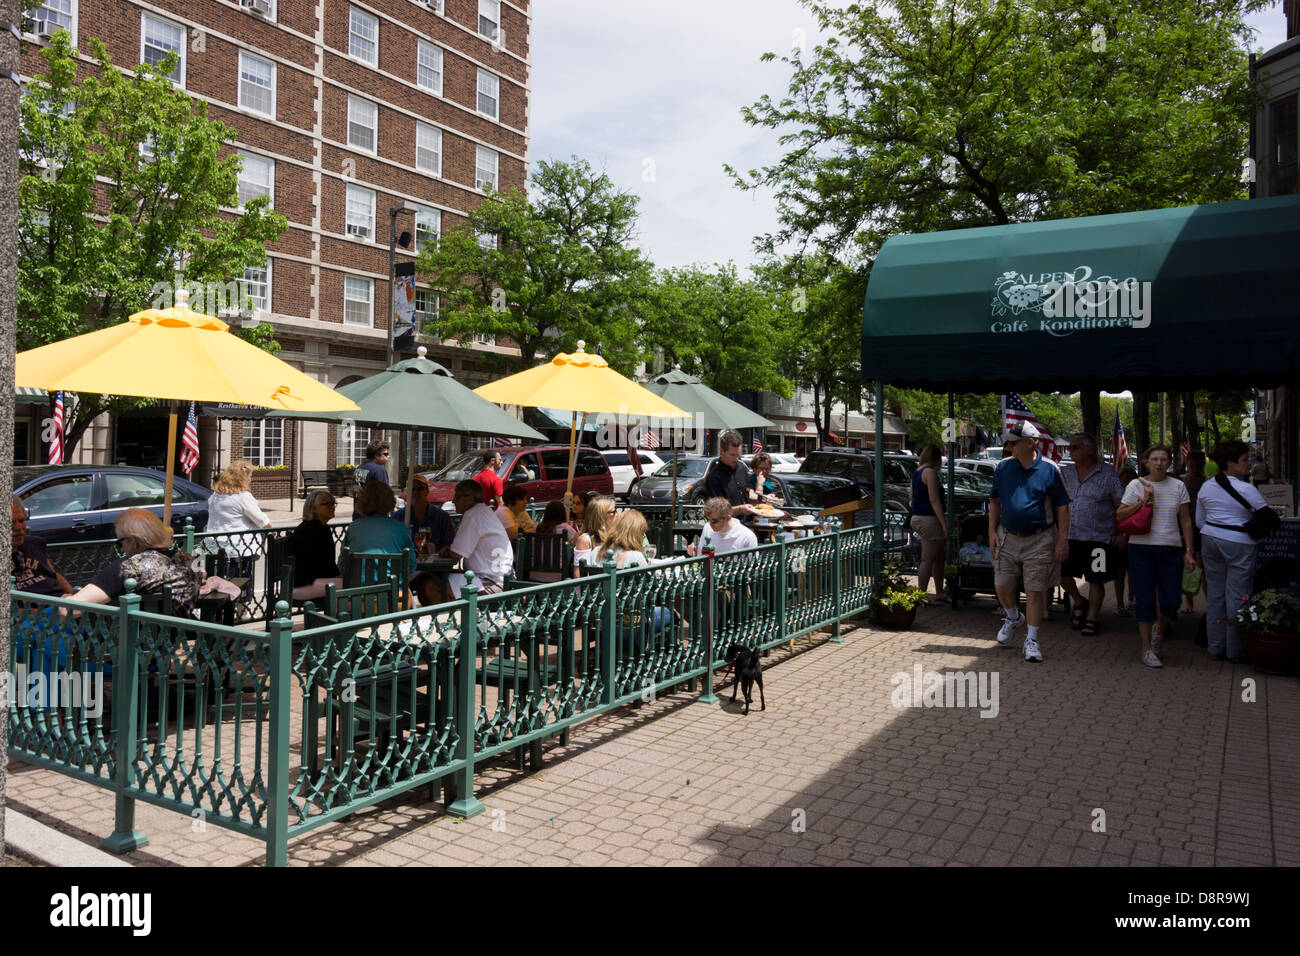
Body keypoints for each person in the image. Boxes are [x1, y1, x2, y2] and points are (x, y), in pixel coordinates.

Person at [987, 420, 1071, 664]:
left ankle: (1032, 640)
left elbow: (1062, 506)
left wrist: (1062, 540)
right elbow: (994, 501)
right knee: (1002, 584)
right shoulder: (1003, 468)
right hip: (1008, 536)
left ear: (1030, 442)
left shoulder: (1050, 468)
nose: (1009, 446)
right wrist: (992, 532)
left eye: (1013, 442)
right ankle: (1013, 616)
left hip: (1041, 538)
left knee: (1035, 590)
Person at [1116, 444, 1195, 669]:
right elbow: (1120, 514)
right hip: (1141, 548)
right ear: (1146, 462)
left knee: (1170, 600)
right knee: (1145, 598)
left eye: (1163, 459)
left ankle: (1158, 633)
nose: (1159, 463)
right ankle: (1146, 648)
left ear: (1169, 462)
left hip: (1171, 548)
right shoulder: (1136, 485)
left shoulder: (1178, 485)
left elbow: (1186, 521)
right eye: (1155, 459)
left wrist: (1189, 551)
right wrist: (1144, 500)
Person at [1197, 441, 1268, 663]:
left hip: (1210, 539)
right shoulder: (1247, 489)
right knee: (1238, 595)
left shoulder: (1207, 486)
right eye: (1245, 460)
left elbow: (1200, 520)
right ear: (1230, 463)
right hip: (1240, 542)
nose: (1250, 464)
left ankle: (1215, 647)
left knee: (1215, 594)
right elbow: (1265, 516)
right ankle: (1235, 650)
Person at [69, 509, 204, 617]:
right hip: (172, 641)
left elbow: (71, 610)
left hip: (128, 644)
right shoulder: (189, 561)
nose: (121, 549)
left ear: (132, 541)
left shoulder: (130, 566)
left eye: (120, 543)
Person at [1059, 434, 1125, 635]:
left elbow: (1121, 506)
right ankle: (1079, 601)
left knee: (1096, 579)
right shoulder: (1065, 473)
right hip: (1070, 536)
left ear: (1089, 450)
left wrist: (1123, 533)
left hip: (1099, 539)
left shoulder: (1108, 475)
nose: (1070, 451)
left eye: (1075, 447)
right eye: (1070, 448)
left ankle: (1093, 617)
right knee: (1061, 573)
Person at [426, 480, 512, 601]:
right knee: (435, 580)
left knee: (428, 585)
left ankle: (457, 616)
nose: (453, 501)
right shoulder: (483, 511)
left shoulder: (473, 514)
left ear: (470, 499)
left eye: (456, 496)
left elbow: (457, 553)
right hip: (500, 579)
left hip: (490, 583)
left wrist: (447, 551)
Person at [204, 461, 272, 601]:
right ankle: (239, 610)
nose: (250, 479)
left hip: (216, 546)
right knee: (241, 582)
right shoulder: (243, 497)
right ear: (242, 478)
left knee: (221, 581)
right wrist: (273, 530)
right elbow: (261, 519)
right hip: (240, 548)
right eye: (249, 476)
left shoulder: (215, 497)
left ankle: (222, 610)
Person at [344, 481, 415, 583]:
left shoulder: (353, 527)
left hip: (357, 595)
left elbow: (342, 566)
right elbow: (411, 565)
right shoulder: (401, 528)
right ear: (390, 501)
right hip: (392, 593)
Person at [909, 445, 948, 605]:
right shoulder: (930, 472)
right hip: (929, 518)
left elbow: (911, 497)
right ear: (936, 458)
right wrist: (943, 524)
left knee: (939, 558)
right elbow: (934, 499)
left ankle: (939, 592)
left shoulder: (916, 472)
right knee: (927, 559)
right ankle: (922, 596)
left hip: (917, 516)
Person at [12, 495, 73, 597]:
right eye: (11, 522)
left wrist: (70, 596)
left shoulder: (35, 543)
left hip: (61, 604)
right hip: (34, 610)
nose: (18, 527)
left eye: (22, 520)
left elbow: (53, 574)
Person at [289, 491, 343, 601]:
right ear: (313, 508)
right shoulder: (312, 531)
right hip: (304, 586)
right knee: (352, 586)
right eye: (327, 504)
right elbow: (323, 565)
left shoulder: (321, 527)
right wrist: (339, 577)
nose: (332, 507)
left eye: (333, 503)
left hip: (310, 582)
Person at [393, 473, 454, 553]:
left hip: (435, 563)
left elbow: (449, 545)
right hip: (407, 563)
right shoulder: (398, 516)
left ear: (427, 491)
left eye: (420, 489)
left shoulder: (442, 516)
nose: (416, 492)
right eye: (412, 489)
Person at [702, 430, 754, 517]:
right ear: (722, 451)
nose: (736, 459)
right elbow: (718, 511)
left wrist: (765, 499)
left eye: (738, 455)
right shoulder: (714, 477)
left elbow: (749, 493)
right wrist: (741, 509)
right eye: (732, 455)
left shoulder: (742, 469)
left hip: (748, 525)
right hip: (728, 528)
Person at [1180, 451, 1208, 613]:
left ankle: (1208, 601)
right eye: (1192, 465)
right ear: (1187, 464)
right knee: (1188, 566)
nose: (1195, 469)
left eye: (1198, 465)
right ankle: (1188, 603)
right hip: (1186, 527)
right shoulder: (1181, 483)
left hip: (1203, 529)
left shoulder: (1208, 483)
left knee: (1204, 567)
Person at [687, 497, 759, 556]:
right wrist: (693, 554)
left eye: (714, 521)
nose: (710, 524)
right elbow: (701, 556)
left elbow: (753, 568)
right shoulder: (707, 528)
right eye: (708, 520)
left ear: (728, 518)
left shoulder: (747, 536)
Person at [1113, 466, 1138, 614]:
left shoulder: (1137, 495)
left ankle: (1130, 600)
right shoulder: (1117, 496)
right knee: (1119, 574)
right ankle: (1120, 603)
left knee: (1132, 573)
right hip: (1118, 538)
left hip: (1134, 538)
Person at [574, 496, 616, 570]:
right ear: (602, 516)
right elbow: (579, 574)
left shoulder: (615, 535)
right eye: (613, 512)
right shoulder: (585, 540)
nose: (617, 515)